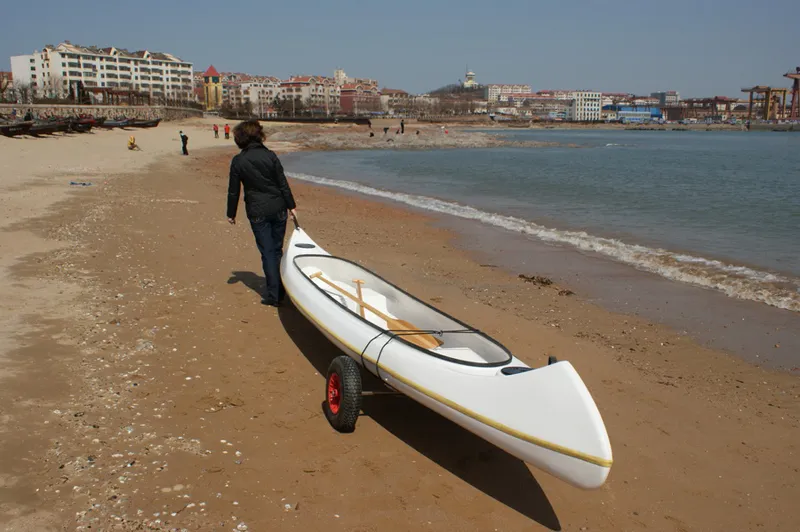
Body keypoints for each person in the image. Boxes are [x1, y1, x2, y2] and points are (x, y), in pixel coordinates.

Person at [226, 120, 297, 307]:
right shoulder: (270, 156)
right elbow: (282, 184)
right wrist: (292, 206)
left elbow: (234, 191)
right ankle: (281, 289)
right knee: (276, 250)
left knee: (267, 252)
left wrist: (231, 213)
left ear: (242, 138)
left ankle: (274, 295)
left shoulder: (239, 161)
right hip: (278, 208)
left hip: (258, 211)